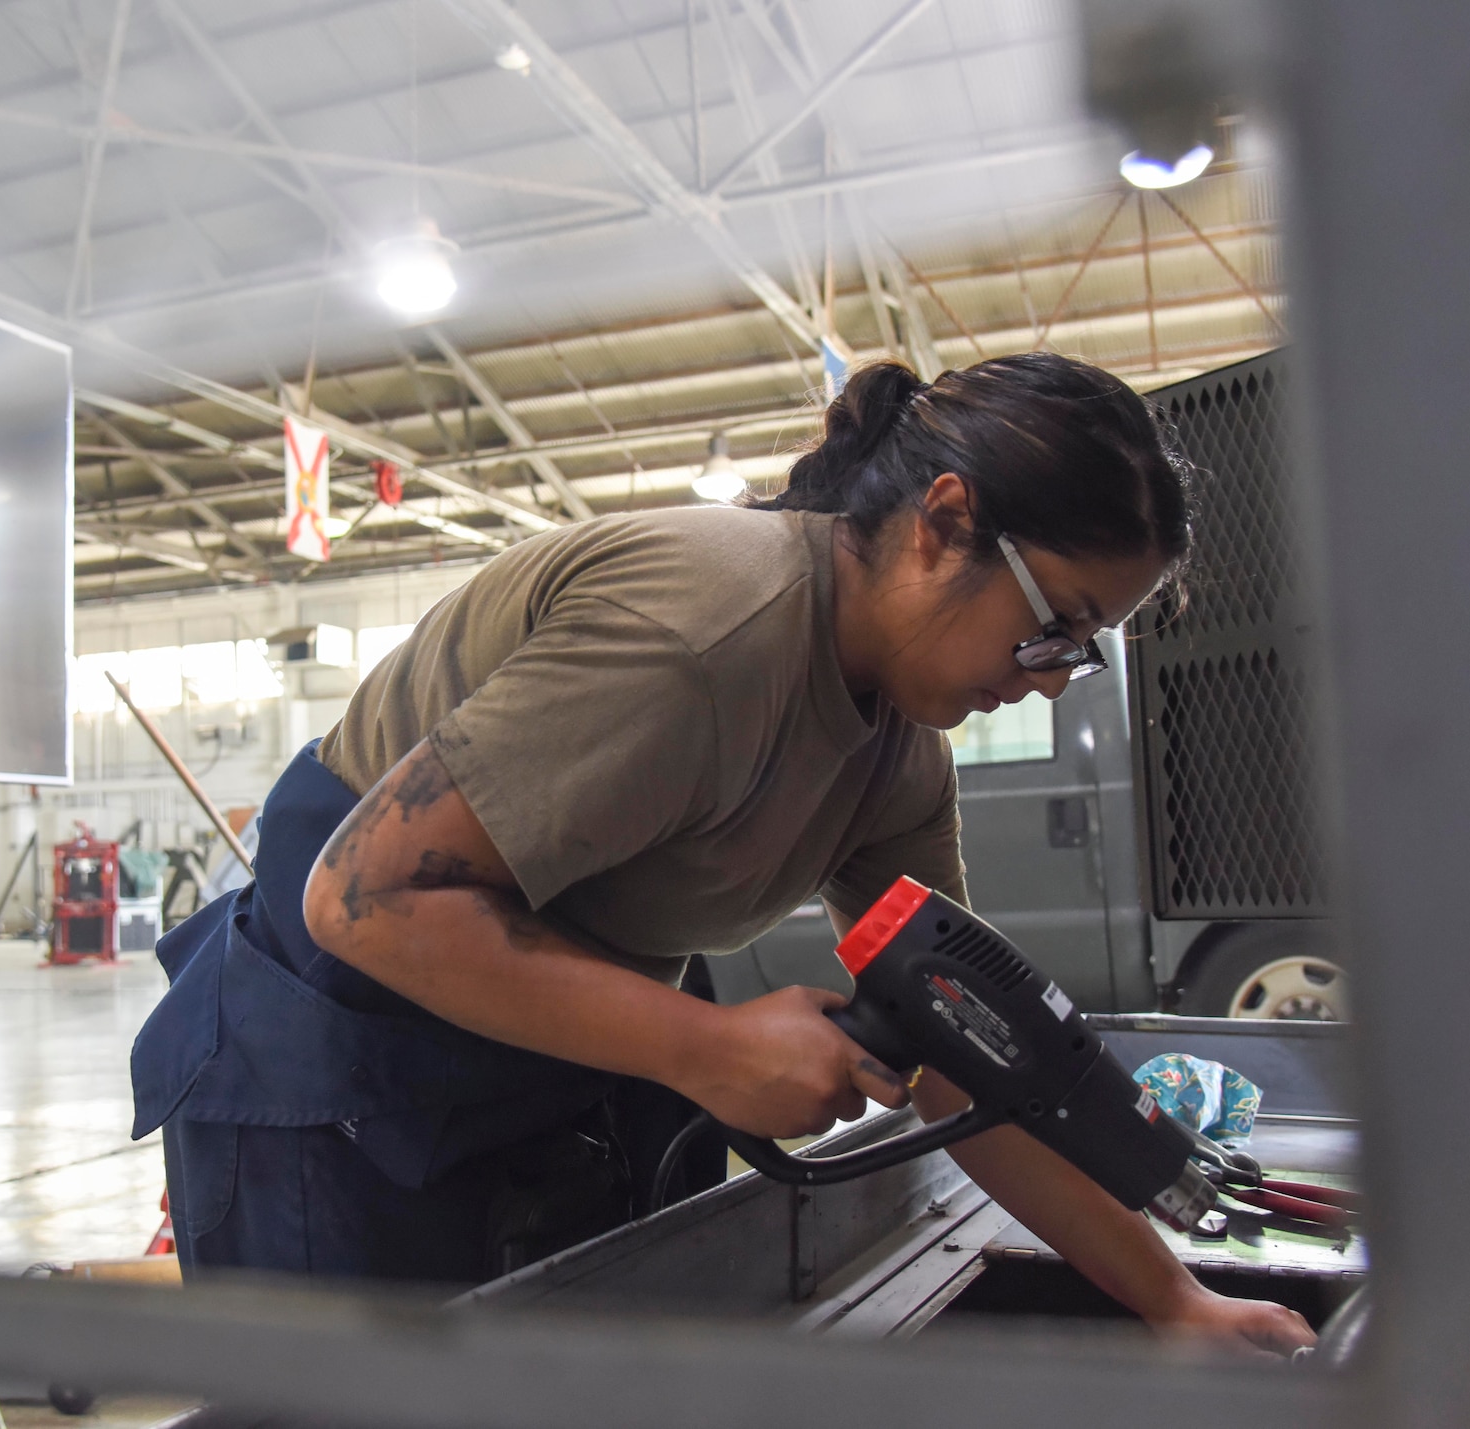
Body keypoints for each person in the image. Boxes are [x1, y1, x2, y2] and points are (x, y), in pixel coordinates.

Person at [130, 354, 1315, 1352]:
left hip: (541, 1066)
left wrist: (1175, 1300)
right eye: (1050, 623)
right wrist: (704, 1044)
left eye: (1083, 649)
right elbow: (363, 893)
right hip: (334, 1072)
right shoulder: (706, 630)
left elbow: (964, 1055)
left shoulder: (896, 751)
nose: (1046, 674)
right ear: (942, 523)